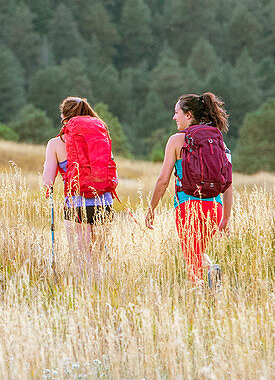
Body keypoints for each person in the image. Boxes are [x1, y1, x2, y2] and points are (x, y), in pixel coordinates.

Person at [145, 93, 233, 287]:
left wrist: (151, 209)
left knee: (192, 259)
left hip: (188, 207)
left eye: (177, 113)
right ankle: (211, 277)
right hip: (214, 208)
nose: (174, 117)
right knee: (197, 252)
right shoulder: (218, 141)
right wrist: (225, 218)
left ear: (188, 114)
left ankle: (199, 293)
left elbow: (162, 181)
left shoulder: (176, 141)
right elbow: (228, 183)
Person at [41, 96, 126, 278]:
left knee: (81, 259)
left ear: (64, 116)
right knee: (96, 259)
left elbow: (47, 181)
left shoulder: (56, 144)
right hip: (103, 203)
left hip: (75, 204)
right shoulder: (101, 139)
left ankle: (83, 298)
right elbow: (114, 178)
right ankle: (98, 298)